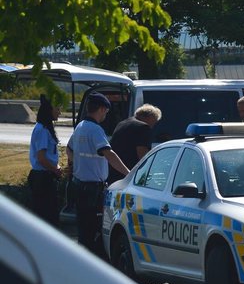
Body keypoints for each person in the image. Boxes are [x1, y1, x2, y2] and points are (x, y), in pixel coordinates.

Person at [66, 93, 130, 256]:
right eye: (105, 112)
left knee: (84, 228)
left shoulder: (80, 126)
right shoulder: (95, 129)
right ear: (101, 109)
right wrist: (129, 174)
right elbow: (108, 154)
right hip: (93, 189)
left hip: (79, 184)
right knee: (96, 228)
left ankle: (82, 260)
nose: (105, 115)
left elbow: (69, 149)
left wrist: (78, 165)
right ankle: (93, 265)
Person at [27, 95, 63, 226]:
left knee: (50, 214)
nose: (59, 112)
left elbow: (49, 155)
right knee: (46, 217)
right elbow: (41, 158)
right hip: (42, 179)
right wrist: (55, 169)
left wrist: (56, 166)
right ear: (49, 110)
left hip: (46, 176)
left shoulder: (46, 128)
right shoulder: (42, 130)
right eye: (57, 109)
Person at [108, 104, 162, 183]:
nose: (153, 125)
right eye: (154, 121)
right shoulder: (143, 127)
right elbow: (142, 155)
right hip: (130, 174)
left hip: (114, 172)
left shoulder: (122, 123)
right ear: (149, 117)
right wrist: (146, 174)